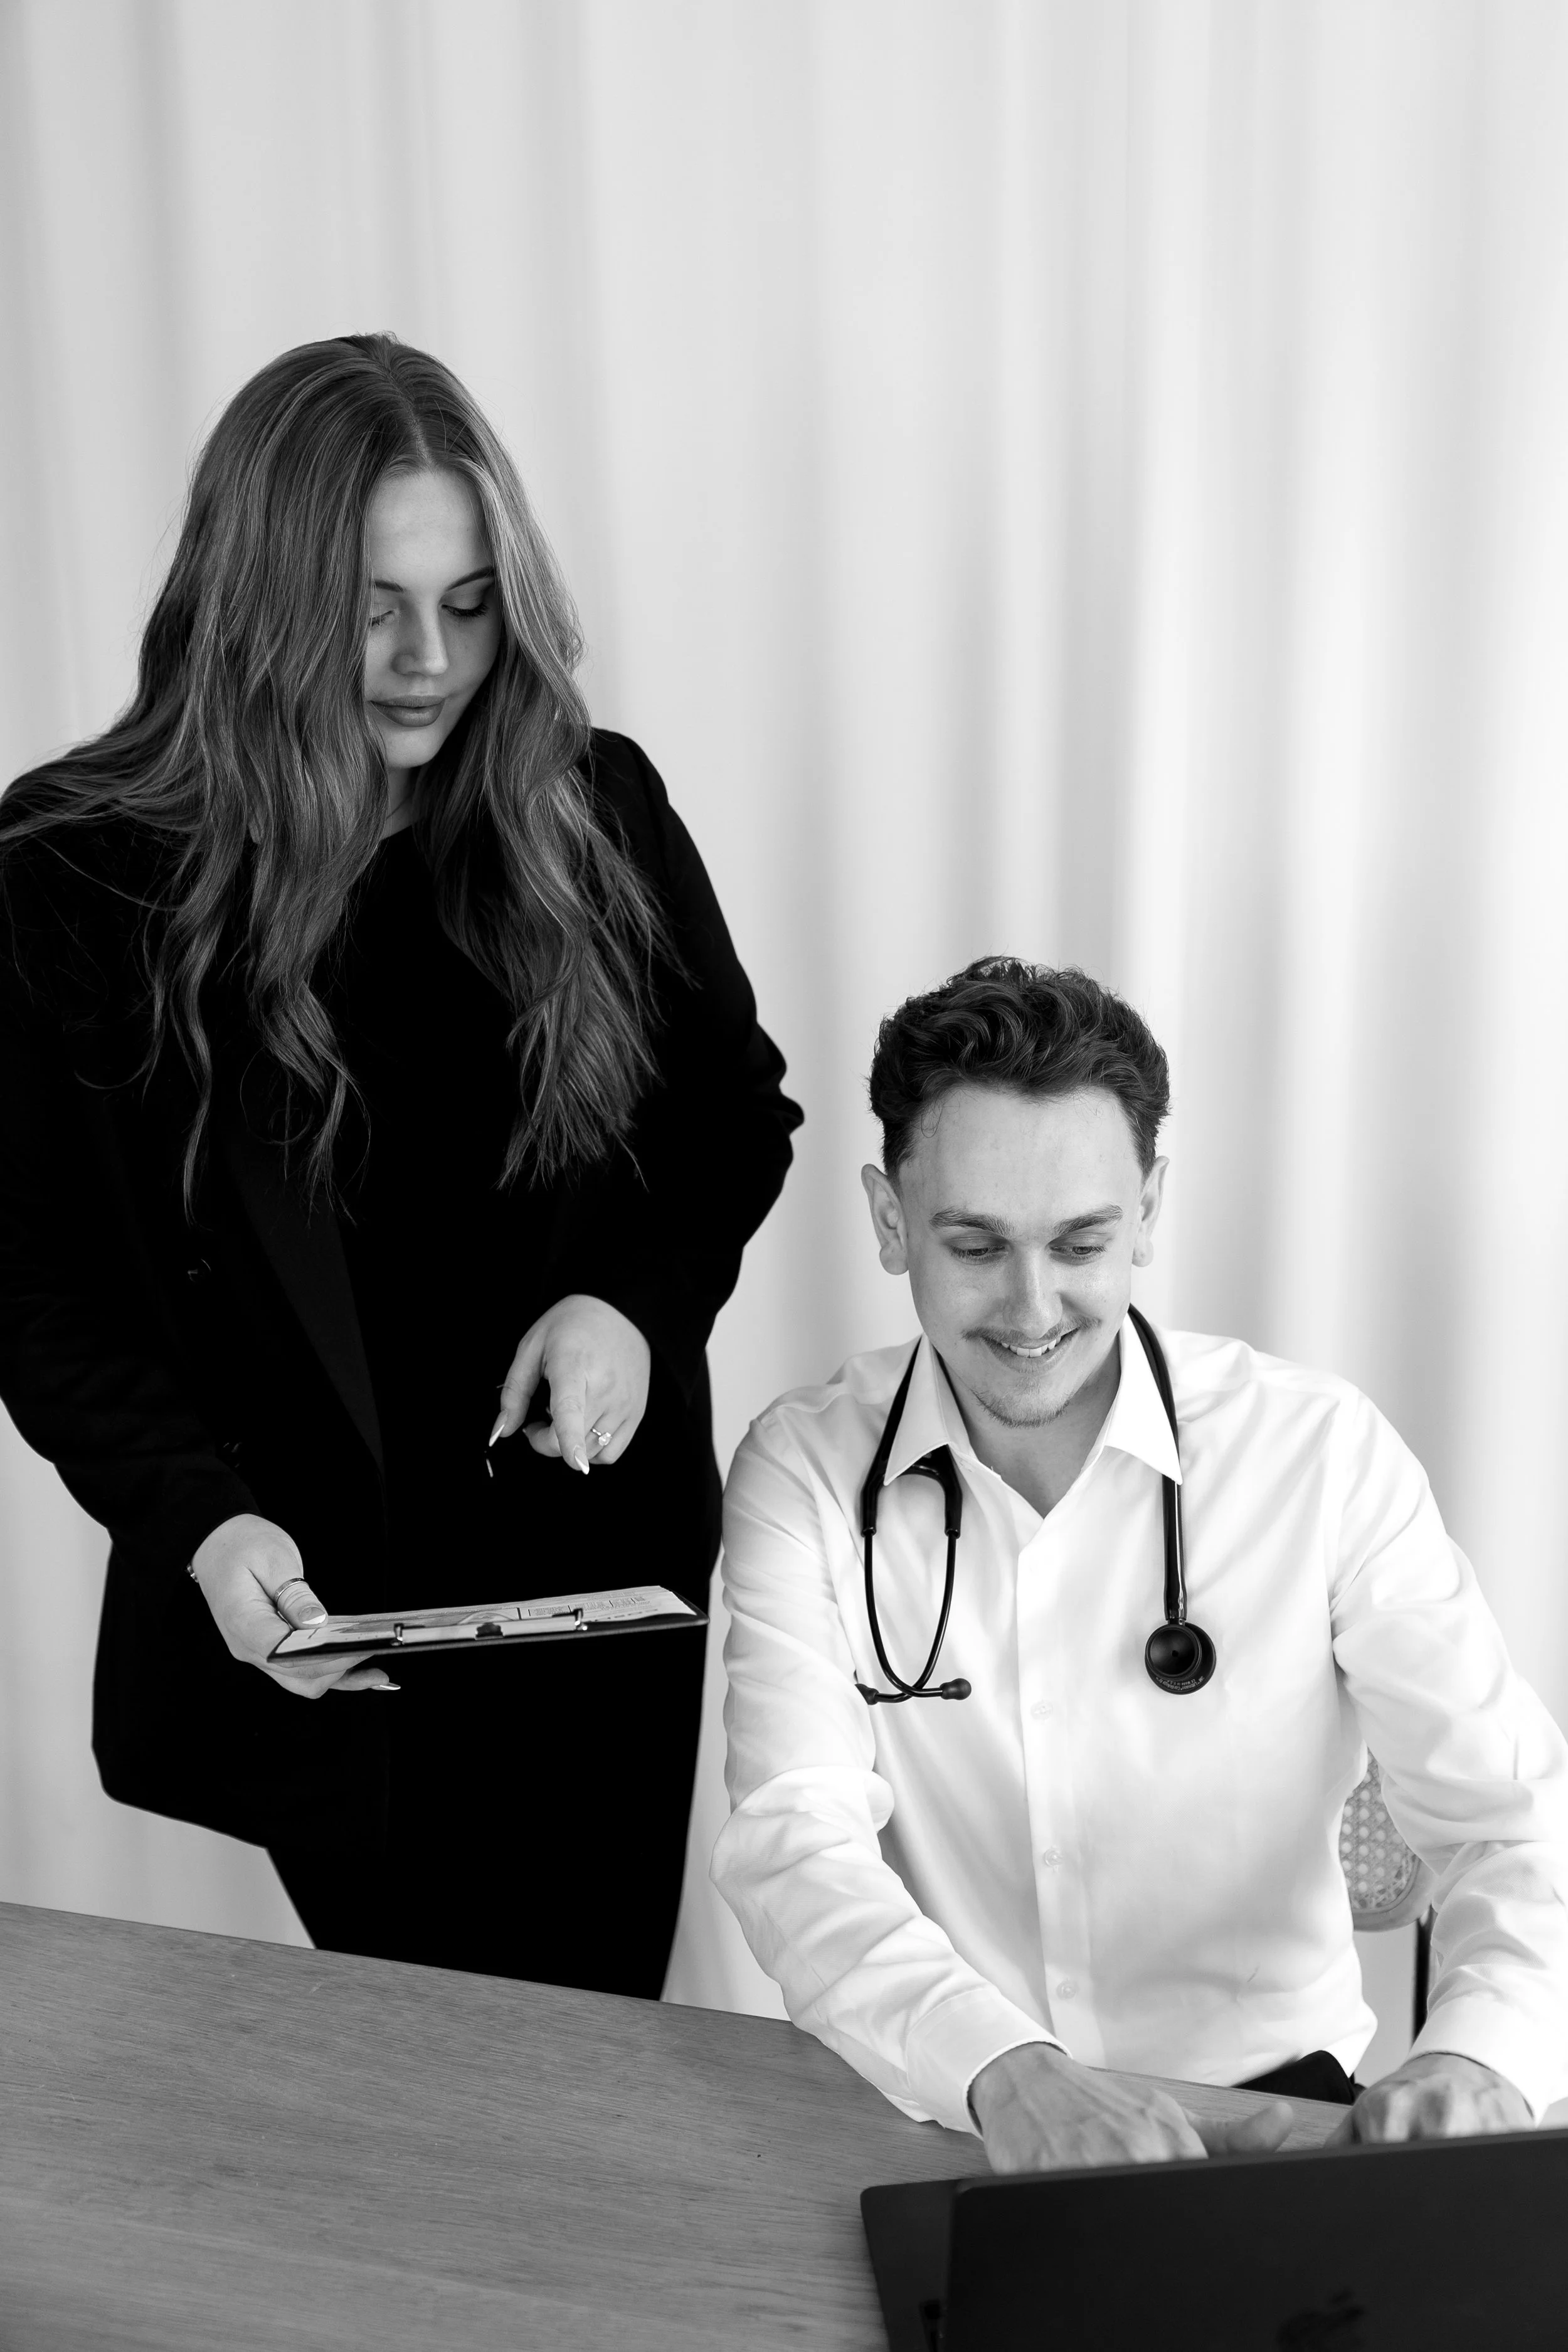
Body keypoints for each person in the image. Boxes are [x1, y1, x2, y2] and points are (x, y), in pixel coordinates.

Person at [0, 333, 802, 1995]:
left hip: (591, 1594)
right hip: (308, 1615)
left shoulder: (591, 805)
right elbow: (28, 1272)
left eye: (466, 599)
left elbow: (731, 1115)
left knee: (590, 2053)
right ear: (256, 594)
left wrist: (630, 1306)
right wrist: (201, 1525)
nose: (425, 660)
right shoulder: (72, 872)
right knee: (440, 2079)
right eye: (369, 602)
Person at [713, 957, 1568, 2169]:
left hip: (1283, 2120)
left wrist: (1478, 2059)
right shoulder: (800, 1472)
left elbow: (1514, 1821)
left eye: (1080, 1241)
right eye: (975, 1243)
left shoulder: (1316, 1454)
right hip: (955, 2104)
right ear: (890, 1219)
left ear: (1150, 1211)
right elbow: (796, 1844)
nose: (1029, 1305)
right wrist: (1006, 2072)